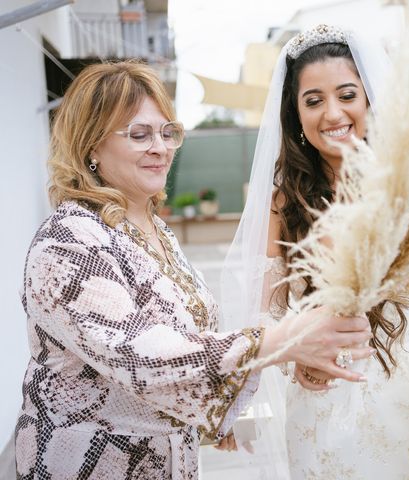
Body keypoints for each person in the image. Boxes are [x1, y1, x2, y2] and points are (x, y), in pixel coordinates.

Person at [14, 61, 373, 479]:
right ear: (91, 146)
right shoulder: (68, 241)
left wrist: (221, 409)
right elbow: (140, 357)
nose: (160, 147)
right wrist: (278, 341)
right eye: (139, 134)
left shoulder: (155, 230)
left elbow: (188, 343)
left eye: (167, 132)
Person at [221, 25, 409, 479]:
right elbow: (267, 311)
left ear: (369, 100)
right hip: (321, 411)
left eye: (347, 94)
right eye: (313, 100)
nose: (332, 113)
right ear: (295, 113)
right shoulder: (283, 200)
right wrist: (294, 356)